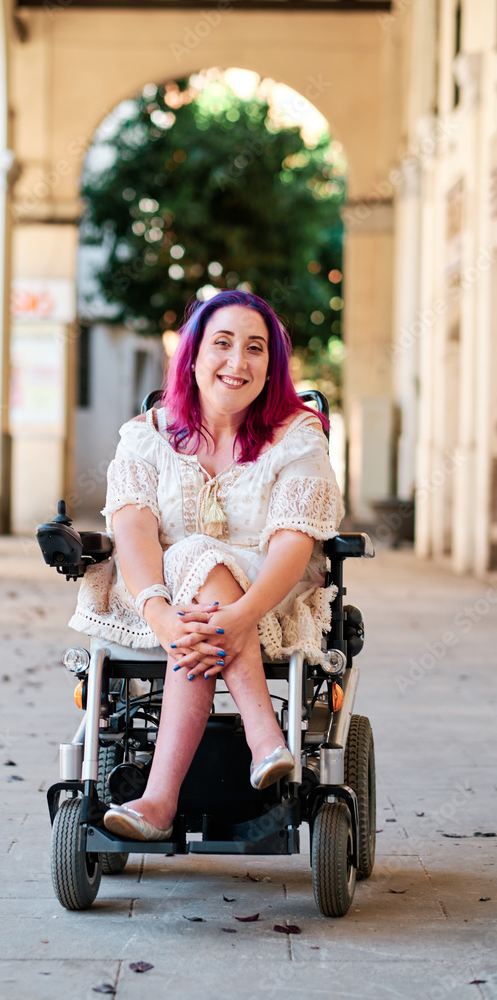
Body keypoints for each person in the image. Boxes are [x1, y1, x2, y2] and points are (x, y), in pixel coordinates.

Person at [69, 289, 344, 842]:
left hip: (271, 593)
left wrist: (243, 613)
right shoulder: (146, 436)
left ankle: (159, 799)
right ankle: (264, 736)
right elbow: (134, 529)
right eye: (222, 344)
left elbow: (293, 542)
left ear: (272, 367)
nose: (237, 361)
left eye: (255, 348)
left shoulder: (296, 436)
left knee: (201, 557)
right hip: (158, 593)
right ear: (193, 356)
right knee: (194, 557)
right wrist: (161, 615)